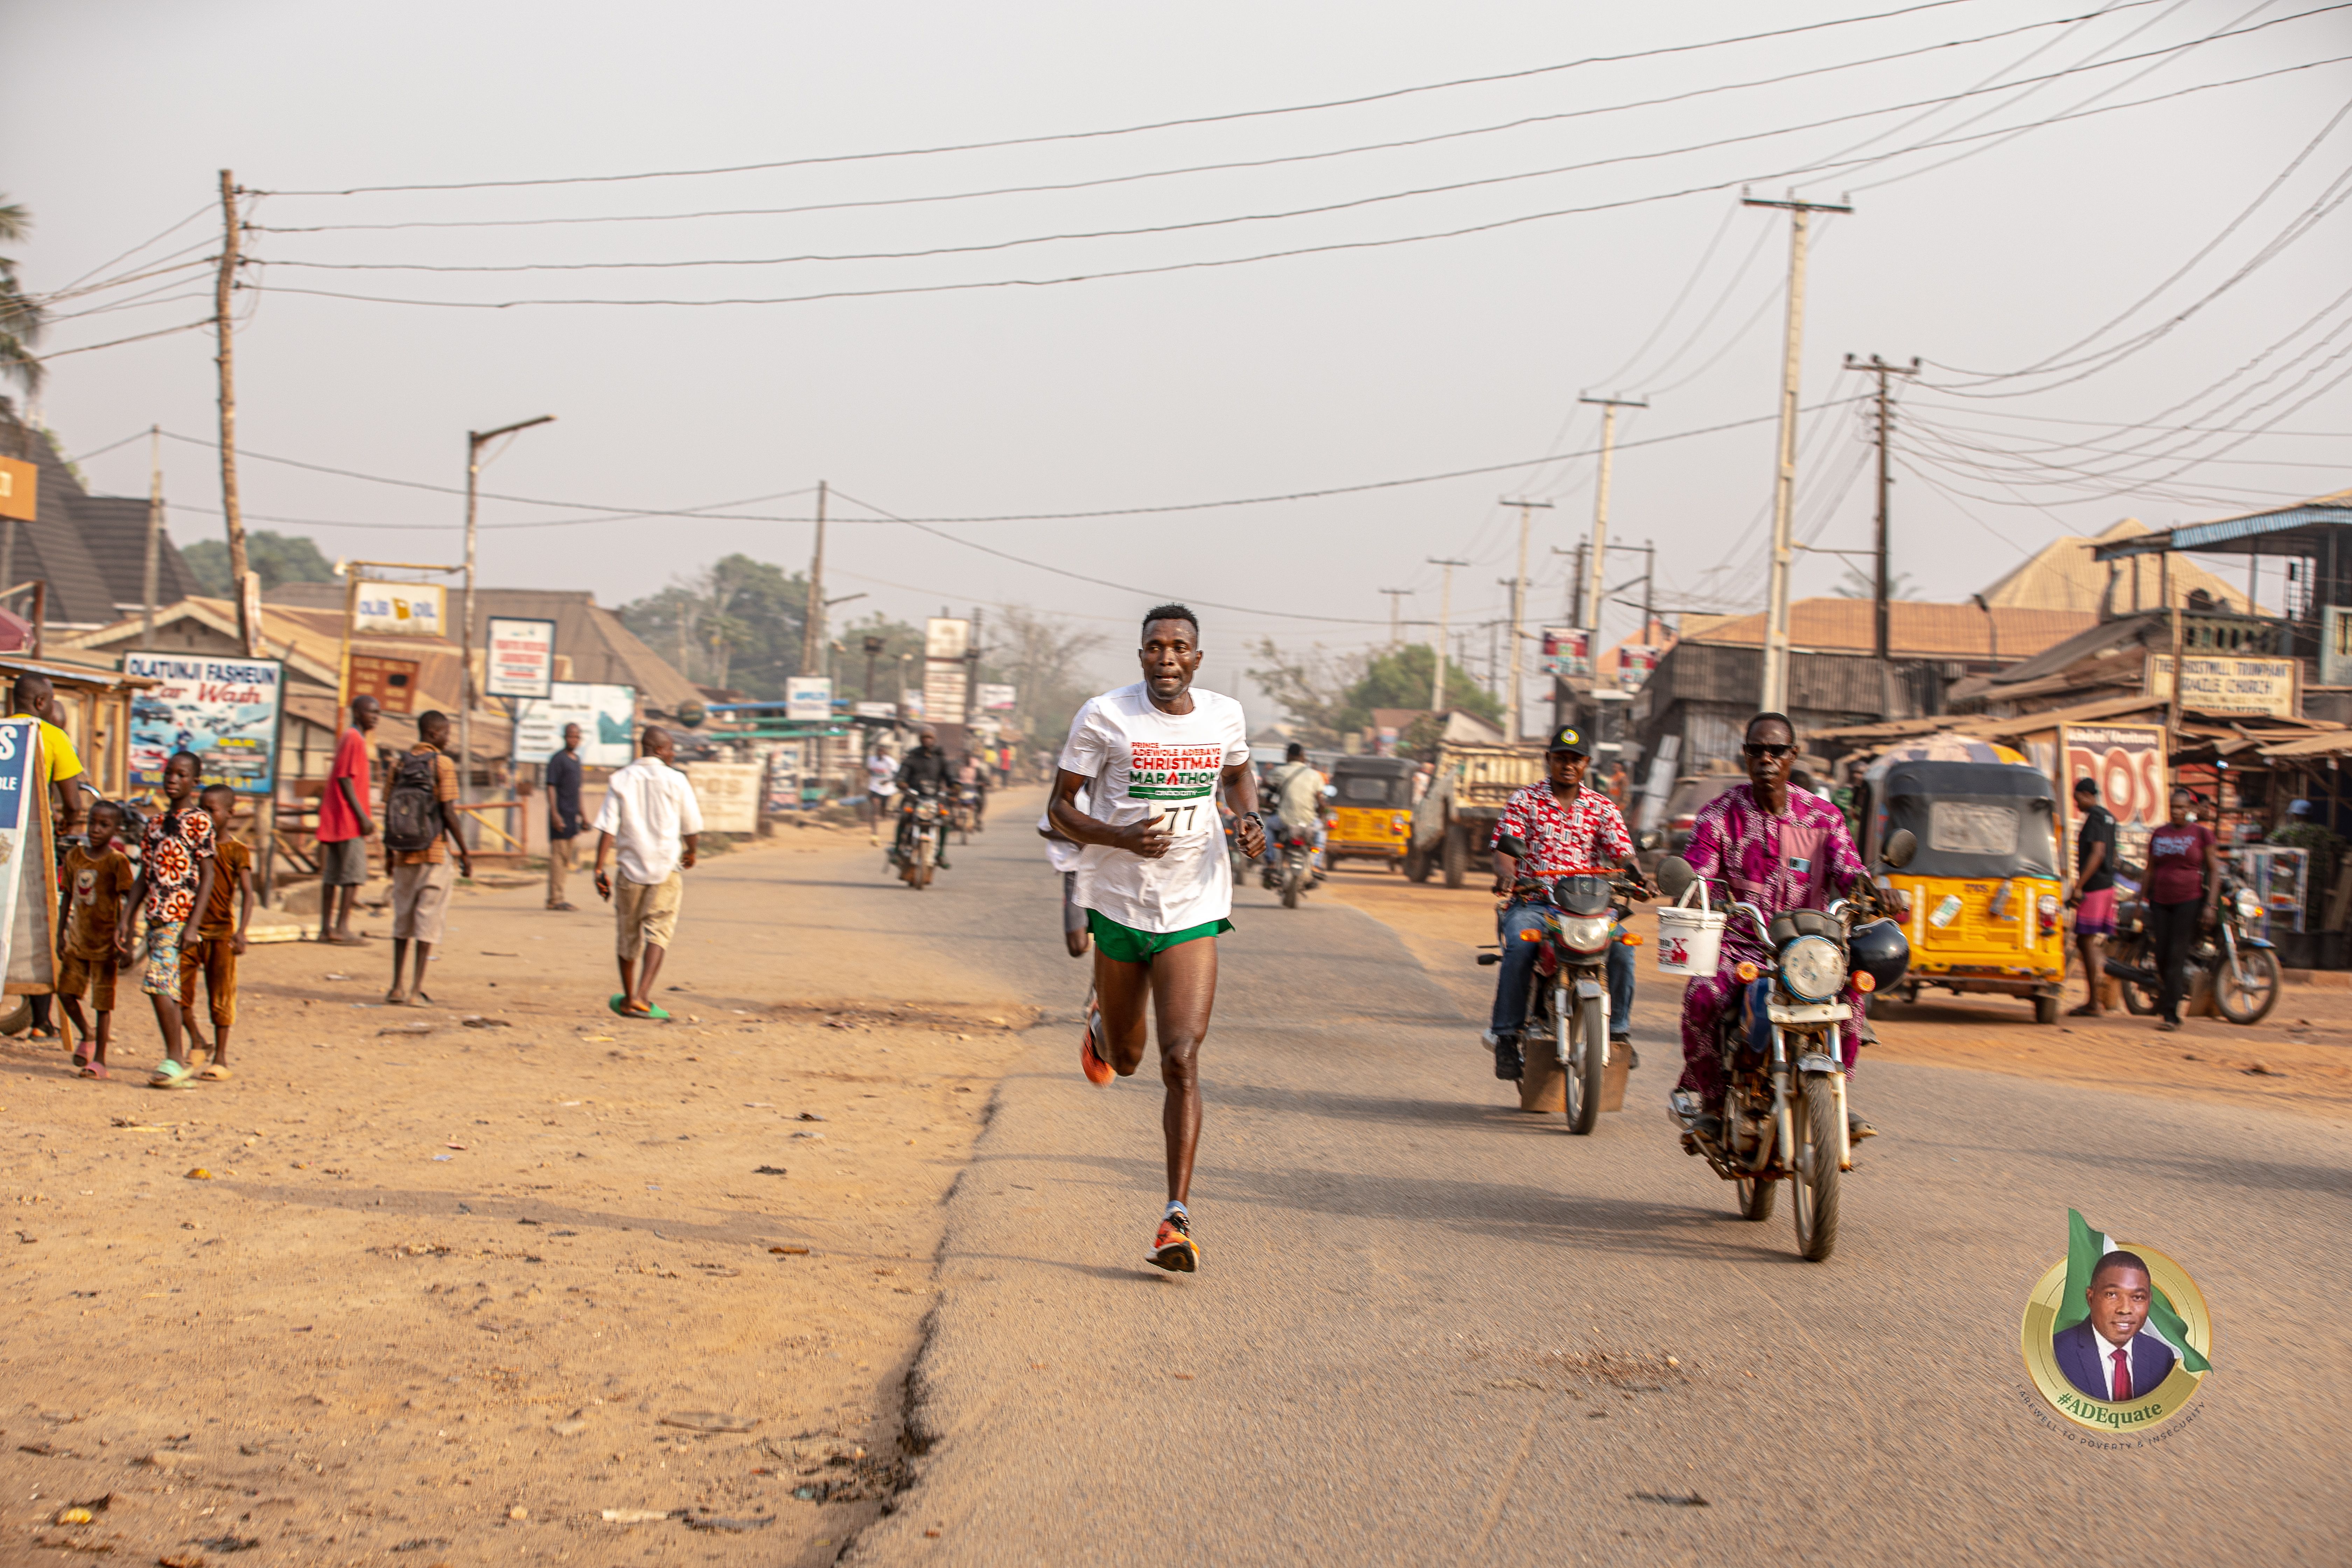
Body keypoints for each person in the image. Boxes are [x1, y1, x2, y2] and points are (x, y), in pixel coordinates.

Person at [1049, 604, 1261, 1273]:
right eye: (1154, 648)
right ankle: (1100, 1027)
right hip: (1117, 902)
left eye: (1179, 648)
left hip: (1194, 903)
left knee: (1182, 1058)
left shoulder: (1224, 716)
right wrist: (1118, 837)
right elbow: (1060, 809)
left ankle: (1176, 1218)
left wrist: (1250, 817)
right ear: (1139, 656)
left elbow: (1237, 774)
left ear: (1198, 658)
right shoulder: (1105, 715)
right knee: (1130, 1058)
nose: (1166, 658)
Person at [1669, 712, 1876, 1144]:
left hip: (1809, 948)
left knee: (1853, 989)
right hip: (1742, 945)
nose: (1767, 758)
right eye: (1756, 750)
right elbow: (1699, 874)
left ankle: (1836, 1090)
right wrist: (1700, 889)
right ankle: (1710, 1102)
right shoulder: (1719, 815)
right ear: (1745, 756)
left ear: (1792, 755)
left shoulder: (1824, 818)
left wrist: (1867, 888)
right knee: (1702, 996)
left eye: (1776, 750)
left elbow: (1848, 867)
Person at [1485, 724, 1644, 1081]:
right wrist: (1510, 874)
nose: (1568, 765)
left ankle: (1618, 1031)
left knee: (1622, 947)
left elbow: (1623, 853)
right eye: (1561, 758)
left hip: (1589, 907)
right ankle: (1507, 1037)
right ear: (1549, 760)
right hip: (1536, 904)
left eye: (1576, 759)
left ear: (1587, 763)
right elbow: (1504, 852)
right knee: (1521, 947)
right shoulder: (1524, 801)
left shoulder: (1602, 807)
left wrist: (1637, 874)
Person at [121, 751, 217, 1090]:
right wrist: (126, 918)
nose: (172, 779)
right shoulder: (155, 825)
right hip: (156, 916)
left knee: (158, 982)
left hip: (179, 915)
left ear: (194, 782)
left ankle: (175, 1057)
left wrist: (194, 924)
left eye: (181, 774)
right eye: (169, 773)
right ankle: (183, 1052)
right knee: (168, 985)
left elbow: (208, 875)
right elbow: (143, 877)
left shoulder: (200, 822)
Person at [593, 725, 703, 1019]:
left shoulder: (621, 779)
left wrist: (598, 867)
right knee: (659, 932)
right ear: (657, 749)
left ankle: (629, 998)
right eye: (670, 748)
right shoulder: (677, 780)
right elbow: (691, 826)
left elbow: (607, 827)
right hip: (666, 868)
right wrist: (691, 851)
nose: (673, 753)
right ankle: (643, 996)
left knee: (627, 934)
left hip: (630, 869)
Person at [14, 675, 89, 1040]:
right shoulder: (52, 736)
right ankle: (42, 1021)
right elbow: (74, 804)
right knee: (37, 924)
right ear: (43, 703)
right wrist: (67, 825)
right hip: (29, 845)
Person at [384, 710, 470, 1006]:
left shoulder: (399, 764)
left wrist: (388, 853)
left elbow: (390, 811)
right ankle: (415, 990)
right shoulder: (442, 764)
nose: (448, 739)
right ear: (434, 734)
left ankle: (396, 986)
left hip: (403, 854)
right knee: (428, 920)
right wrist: (464, 852)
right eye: (446, 733)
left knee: (402, 920)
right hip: (433, 852)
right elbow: (448, 812)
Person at [179, 784, 254, 1079]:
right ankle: (197, 1039)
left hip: (221, 934)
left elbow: (248, 893)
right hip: (189, 932)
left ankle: (221, 1058)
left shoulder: (236, 850)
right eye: (201, 810)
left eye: (212, 811)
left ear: (230, 814)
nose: (205, 817)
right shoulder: (191, 848)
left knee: (221, 996)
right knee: (178, 994)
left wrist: (242, 932)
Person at [56, 799, 134, 1079]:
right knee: (65, 993)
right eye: (93, 823)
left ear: (115, 829)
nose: (96, 829)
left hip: (106, 945)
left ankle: (100, 1060)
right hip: (77, 940)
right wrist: (60, 933)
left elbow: (130, 899)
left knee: (103, 1003)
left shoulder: (118, 861)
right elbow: (67, 896)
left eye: (104, 825)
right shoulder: (75, 857)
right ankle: (86, 1033)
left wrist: (129, 937)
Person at [2144, 785, 2221, 1032]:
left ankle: (2171, 1014)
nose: (2177, 812)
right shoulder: (2159, 834)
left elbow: (2215, 870)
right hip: (2160, 901)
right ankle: (2169, 998)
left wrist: (2211, 905)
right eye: (2174, 807)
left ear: (2190, 810)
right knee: (2162, 957)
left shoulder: (2202, 834)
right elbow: (2150, 868)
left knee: (2177, 955)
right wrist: (2140, 901)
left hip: (2189, 900)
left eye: (2182, 807)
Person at [2053, 1251, 2176, 1402]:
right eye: (2112, 1295)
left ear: (2149, 1300)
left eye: (2138, 1297)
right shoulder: (2054, 1353)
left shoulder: (2162, 1357)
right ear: (2091, 1298)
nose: (2125, 1309)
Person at [315, 695, 379, 945]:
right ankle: (341, 928)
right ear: (358, 713)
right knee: (353, 875)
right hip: (348, 819)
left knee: (332, 876)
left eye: (377, 713)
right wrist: (362, 817)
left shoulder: (349, 737)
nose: (375, 717)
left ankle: (326, 928)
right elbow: (345, 779)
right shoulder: (354, 738)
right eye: (371, 712)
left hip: (337, 818)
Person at [2066, 776, 2120, 1018]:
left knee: (2084, 941)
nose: (2077, 805)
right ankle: (2095, 1000)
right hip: (2106, 885)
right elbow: (2112, 855)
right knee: (2087, 941)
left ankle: (2093, 1003)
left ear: (2087, 795)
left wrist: (2080, 886)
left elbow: (2098, 854)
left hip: (2096, 886)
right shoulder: (2109, 817)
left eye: (2078, 799)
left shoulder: (2096, 817)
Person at [1260, 742, 1325, 876]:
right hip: (1308, 821)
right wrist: (1320, 816)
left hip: (1285, 821)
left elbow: (1265, 784)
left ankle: (1271, 862)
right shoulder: (1315, 776)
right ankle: (1316, 865)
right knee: (1321, 833)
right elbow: (1321, 802)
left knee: (1268, 827)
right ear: (1303, 757)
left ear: (1288, 756)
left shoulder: (1280, 772)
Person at [895, 729, 954, 870]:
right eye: (925, 738)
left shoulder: (940, 758)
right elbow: (903, 774)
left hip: (935, 798)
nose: (927, 740)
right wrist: (901, 782)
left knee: (946, 820)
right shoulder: (913, 756)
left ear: (934, 740)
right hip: (914, 796)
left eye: (930, 738)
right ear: (921, 740)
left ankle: (941, 854)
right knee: (904, 816)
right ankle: (897, 851)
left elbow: (950, 776)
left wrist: (955, 785)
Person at [545, 722, 586, 911]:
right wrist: (555, 814)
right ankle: (554, 898)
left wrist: (584, 816)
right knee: (558, 857)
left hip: (572, 816)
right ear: (565, 737)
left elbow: (578, 791)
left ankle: (560, 896)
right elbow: (551, 786)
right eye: (571, 736)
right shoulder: (558, 760)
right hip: (560, 815)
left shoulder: (576, 761)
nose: (574, 740)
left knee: (566, 858)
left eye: (577, 737)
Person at [864, 746, 897, 844]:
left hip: (887, 790)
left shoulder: (891, 762)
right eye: (879, 752)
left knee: (883, 811)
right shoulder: (871, 760)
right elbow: (870, 770)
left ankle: (884, 814)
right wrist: (867, 774)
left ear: (885, 753)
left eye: (882, 752)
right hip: (875, 788)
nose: (880, 754)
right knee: (875, 809)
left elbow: (896, 775)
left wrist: (888, 781)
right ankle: (875, 835)